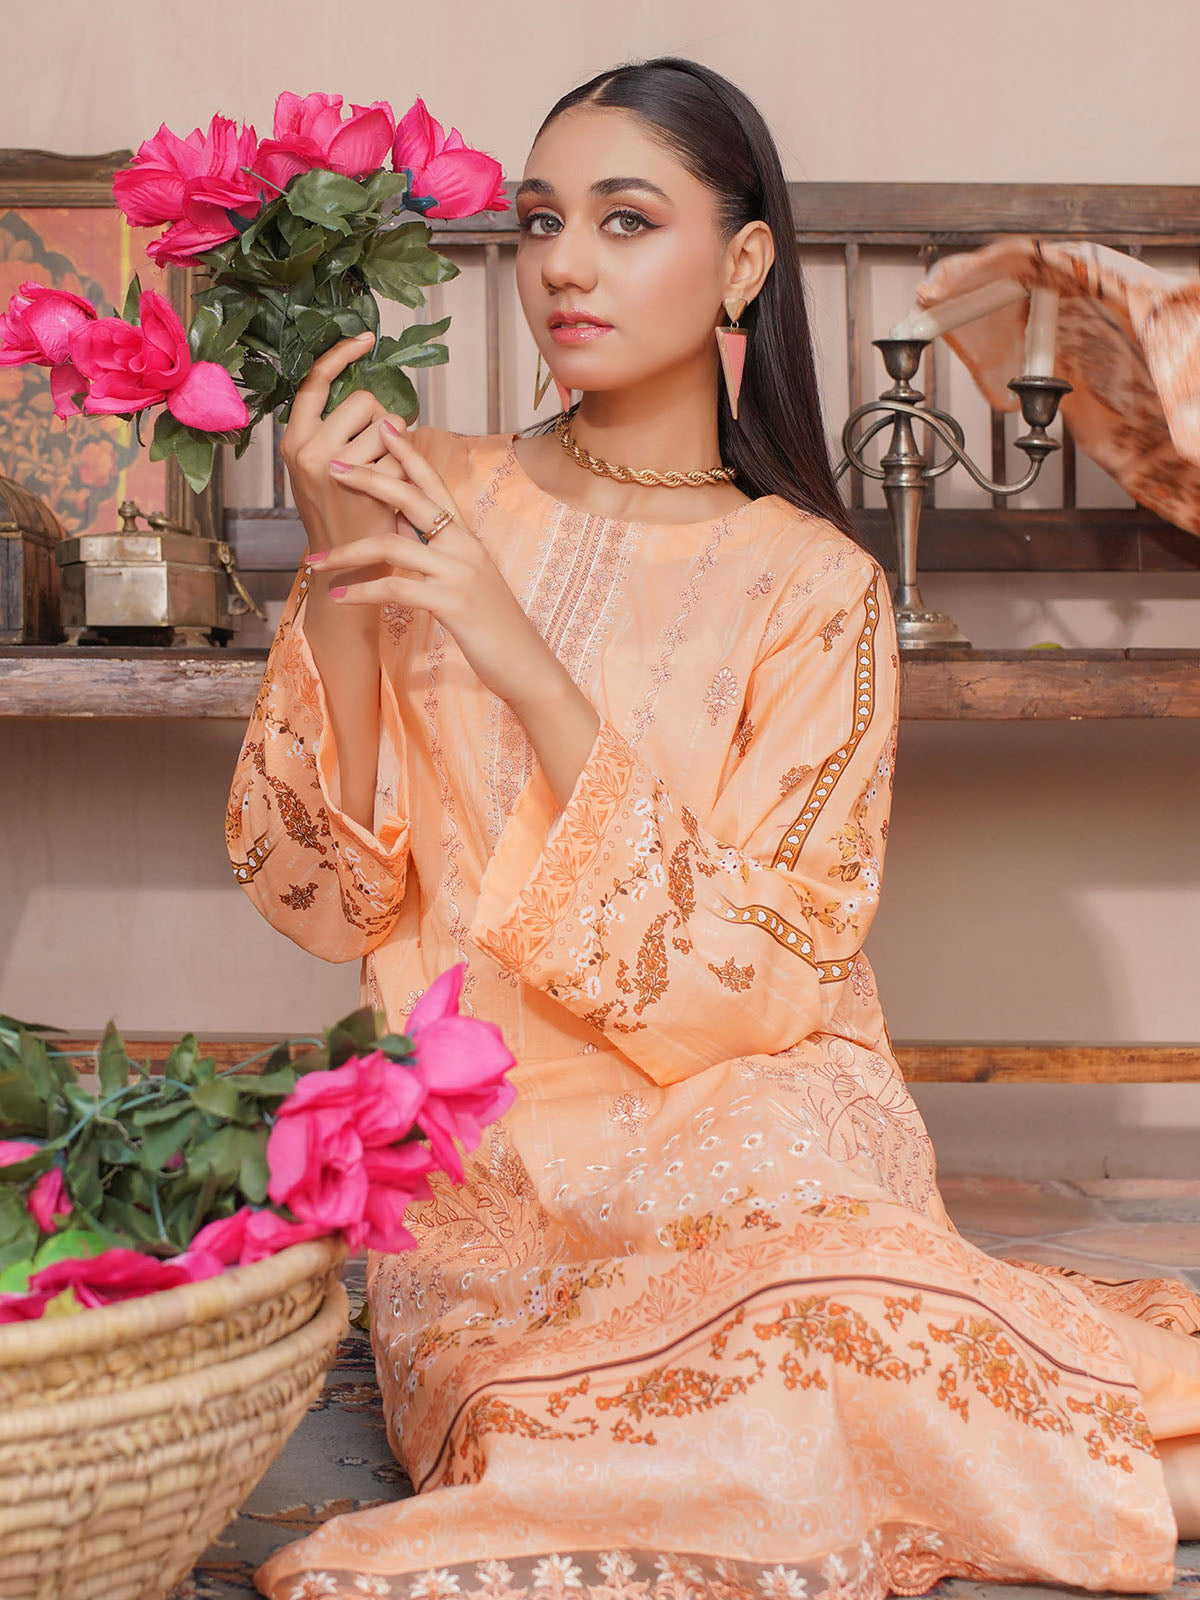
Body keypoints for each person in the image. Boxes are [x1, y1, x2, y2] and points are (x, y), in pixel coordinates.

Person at [228, 58, 1200, 1600]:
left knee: (818, 1278)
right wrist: (345, 576)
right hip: (495, 1161)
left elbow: (769, 974)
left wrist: (519, 657)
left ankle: (1068, 1449)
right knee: (597, 1416)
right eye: (541, 220)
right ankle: (1110, 1467)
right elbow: (315, 895)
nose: (563, 262)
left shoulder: (818, 588)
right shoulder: (427, 496)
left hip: (756, 1117)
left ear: (744, 262)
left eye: (626, 220)